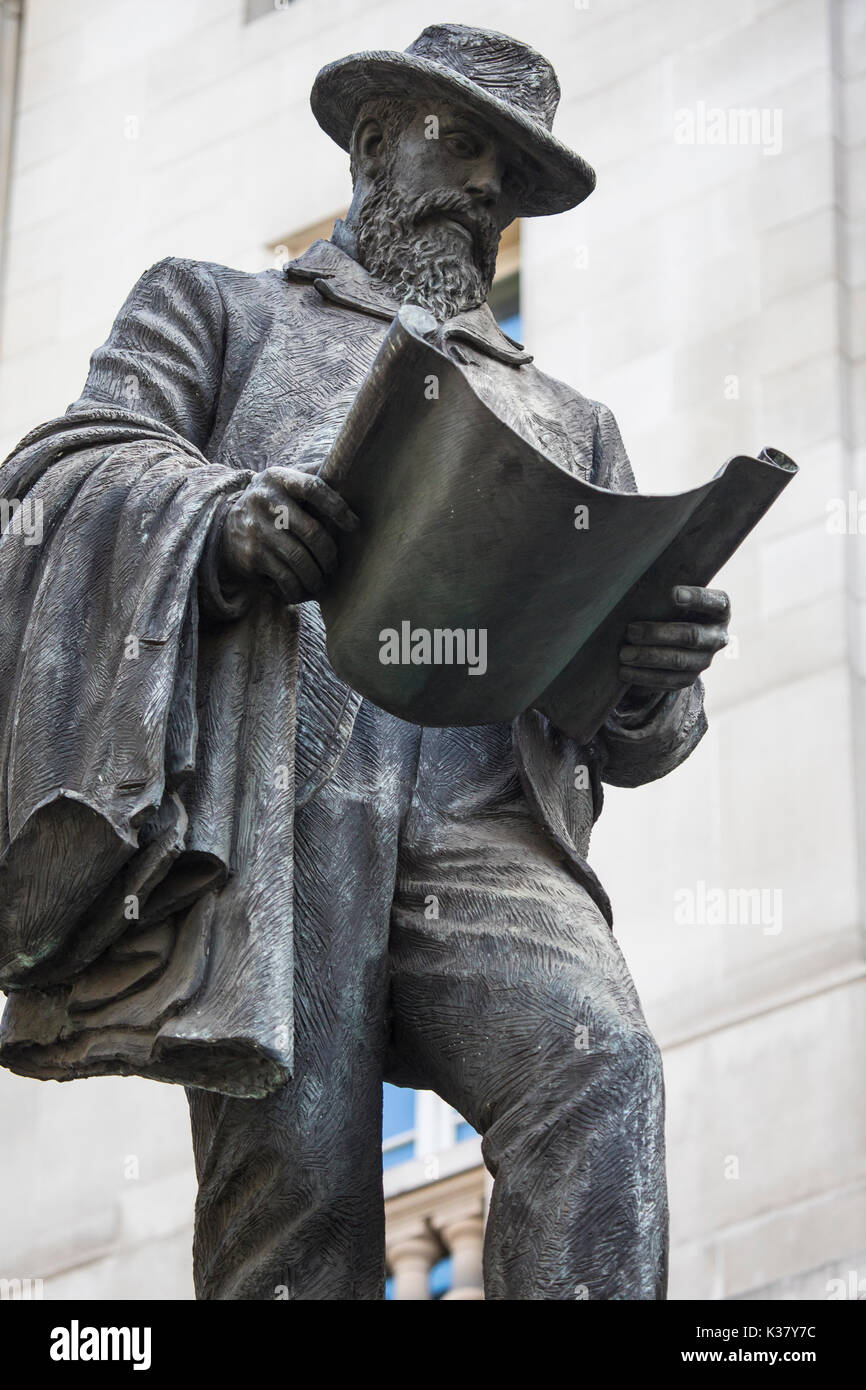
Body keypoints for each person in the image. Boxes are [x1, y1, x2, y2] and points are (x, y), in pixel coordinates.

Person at [0, 24, 729, 1300]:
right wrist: (219, 523)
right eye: (462, 143)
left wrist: (656, 670)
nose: (485, 187)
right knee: (291, 1212)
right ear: (374, 141)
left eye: (508, 168)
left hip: (482, 820)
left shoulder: (573, 419)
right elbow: (64, 480)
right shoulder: (218, 307)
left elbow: (641, 737)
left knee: (598, 1060)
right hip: (277, 808)